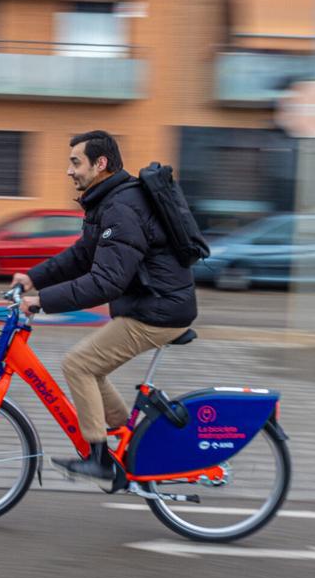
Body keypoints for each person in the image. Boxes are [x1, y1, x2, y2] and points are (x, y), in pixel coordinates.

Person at [11, 130, 197, 482]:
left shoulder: (123, 208)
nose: (69, 171)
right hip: (151, 305)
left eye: (75, 162)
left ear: (101, 164)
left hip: (159, 311)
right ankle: (126, 440)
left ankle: (100, 458)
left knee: (78, 364)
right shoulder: (109, 202)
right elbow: (82, 255)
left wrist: (42, 302)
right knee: (89, 366)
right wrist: (34, 278)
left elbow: (106, 281)